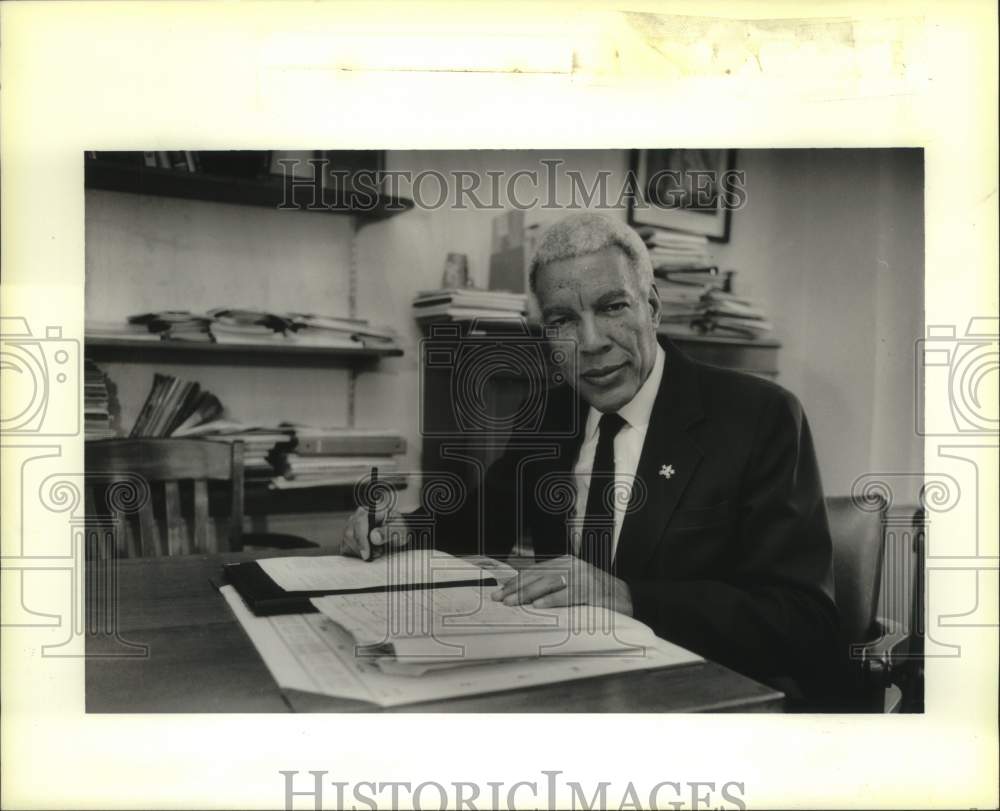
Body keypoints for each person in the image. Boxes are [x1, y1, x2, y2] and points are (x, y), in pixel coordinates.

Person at [343, 212, 839, 704]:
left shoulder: (757, 417)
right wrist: (404, 529)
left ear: (653, 307)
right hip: (573, 684)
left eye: (612, 307)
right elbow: (482, 520)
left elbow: (801, 619)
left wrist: (627, 597)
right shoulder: (553, 413)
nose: (590, 343)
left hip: (705, 698)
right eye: (562, 321)